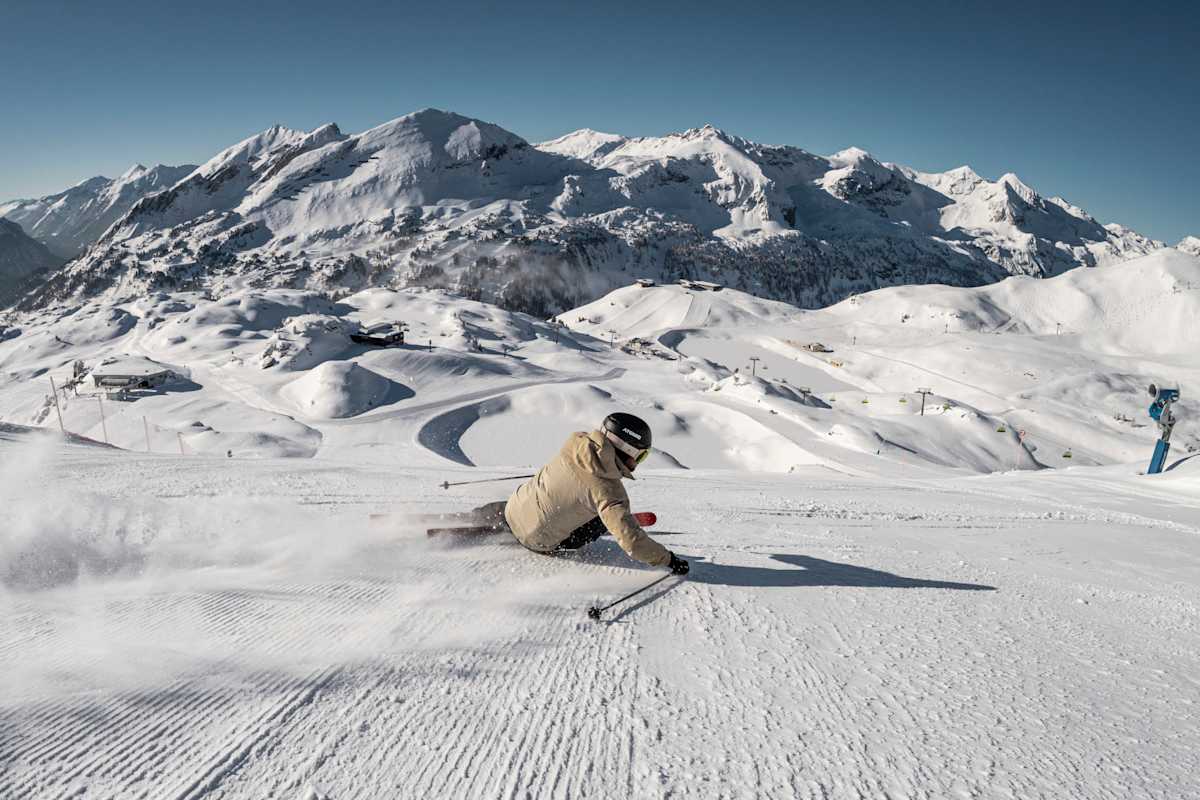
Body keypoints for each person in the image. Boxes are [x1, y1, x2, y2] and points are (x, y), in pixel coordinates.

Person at [469, 413, 688, 574]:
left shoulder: (575, 444)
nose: (638, 463)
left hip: (513, 509)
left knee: (536, 495)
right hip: (539, 540)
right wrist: (668, 560)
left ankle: (472, 517)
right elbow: (633, 544)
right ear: (627, 450)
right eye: (640, 457)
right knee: (601, 516)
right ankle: (607, 521)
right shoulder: (609, 491)